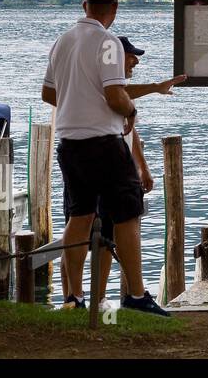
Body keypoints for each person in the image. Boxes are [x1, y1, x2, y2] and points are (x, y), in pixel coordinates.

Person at [41, 0, 169, 316]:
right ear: (113, 9)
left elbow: (49, 94)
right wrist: (131, 109)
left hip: (69, 143)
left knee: (79, 215)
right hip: (103, 142)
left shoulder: (62, 41)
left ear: (84, 7)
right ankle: (137, 295)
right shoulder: (109, 42)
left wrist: (79, 100)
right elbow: (115, 96)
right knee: (127, 214)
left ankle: (73, 297)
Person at [73, 35, 186, 305]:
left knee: (114, 234)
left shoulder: (118, 94)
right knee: (101, 236)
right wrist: (155, 87)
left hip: (122, 167)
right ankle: (90, 298)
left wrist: (142, 168)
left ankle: (114, 297)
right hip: (104, 170)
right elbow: (122, 95)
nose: (135, 61)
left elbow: (130, 134)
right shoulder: (107, 89)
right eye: (131, 55)